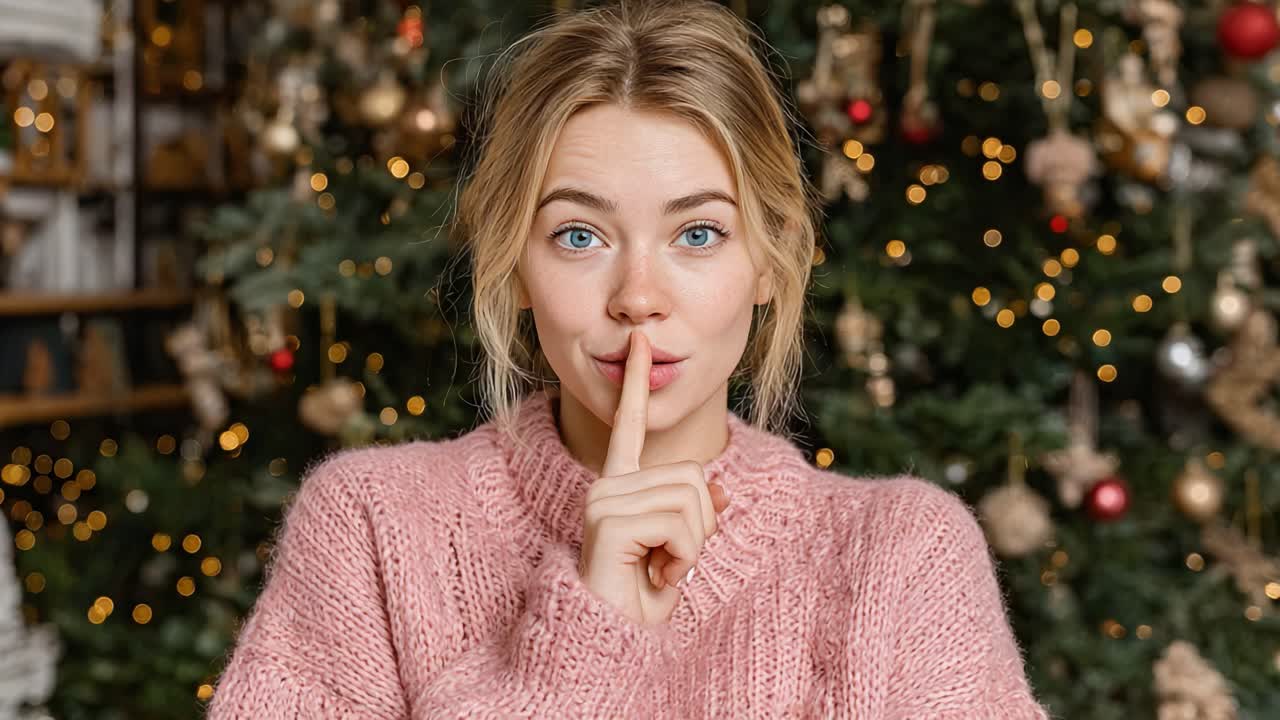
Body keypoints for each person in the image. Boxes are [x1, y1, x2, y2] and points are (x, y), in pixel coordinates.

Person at [206, 1, 1054, 717]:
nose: (638, 296)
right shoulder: (368, 526)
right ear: (515, 261)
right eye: (580, 235)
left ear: (769, 259)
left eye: (698, 233)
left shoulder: (902, 555)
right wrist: (576, 647)